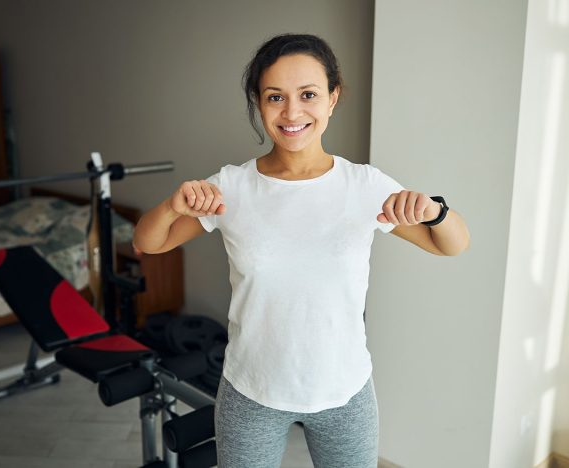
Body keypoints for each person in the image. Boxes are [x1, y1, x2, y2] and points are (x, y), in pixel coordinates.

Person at [133, 33, 470, 468]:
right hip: (251, 391)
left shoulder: (364, 186)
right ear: (259, 103)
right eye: (276, 97)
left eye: (308, 94)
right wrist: (171, 205)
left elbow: (452, 245)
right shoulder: (232, 187)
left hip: (344, 392)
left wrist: (435, 212)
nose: (292, 112)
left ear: (333, 98)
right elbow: (148, 241)